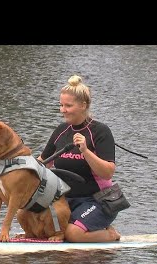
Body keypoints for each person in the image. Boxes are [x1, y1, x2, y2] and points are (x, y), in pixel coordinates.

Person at [38, 75, 121, 242]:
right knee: (40, 227)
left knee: (71, 234)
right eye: (61, 105)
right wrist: (9, 168)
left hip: (98, 200)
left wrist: (85, 150)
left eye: (68, 105)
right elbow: (42, 163)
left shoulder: (100, 131)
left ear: (83, 105)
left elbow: (108, 173)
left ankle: (111, 234)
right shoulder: (61, 130)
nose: (63, 110)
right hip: (66, 200)